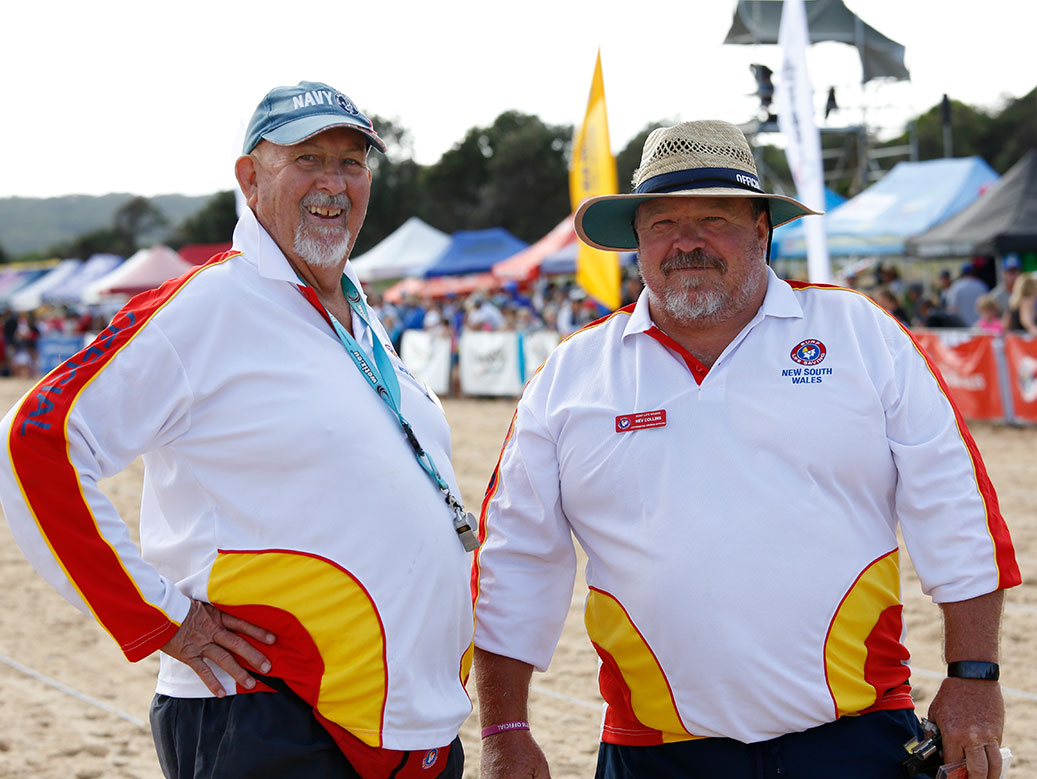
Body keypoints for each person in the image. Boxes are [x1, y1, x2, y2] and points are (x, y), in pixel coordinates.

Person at [471, 120, 1021, 779]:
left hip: (855, 735)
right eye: (663, 222)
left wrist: (974, 677)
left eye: (713, 216)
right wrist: (504, 729)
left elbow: (955, 511)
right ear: (636, 241)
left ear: (761, 228)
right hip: (655, 752)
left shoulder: (858, 333)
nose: (686, 242)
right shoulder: (570, 375)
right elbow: (514, 563)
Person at [0, 81, 475, 779]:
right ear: (250, 178)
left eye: (351, 163)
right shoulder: (210, 304)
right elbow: (35, 441)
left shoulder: (353, 311)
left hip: (402, 712)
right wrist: (161, 618)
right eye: (307, 158)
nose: (333, 183)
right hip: (267, 710)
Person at [945, 262, 989, 326]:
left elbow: (952, 309)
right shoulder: (981, 285)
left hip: (962, 327)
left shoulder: (956, 286)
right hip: (980, 327)